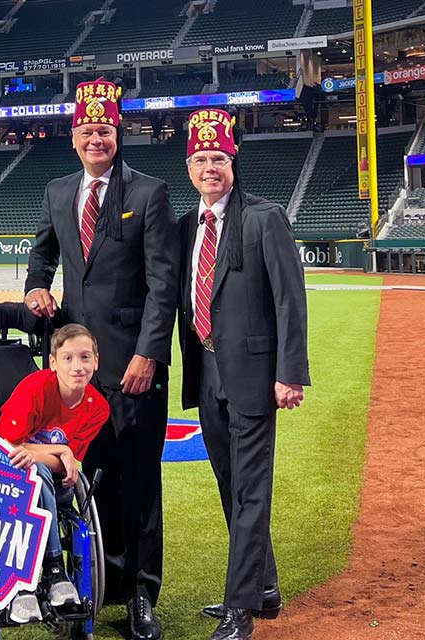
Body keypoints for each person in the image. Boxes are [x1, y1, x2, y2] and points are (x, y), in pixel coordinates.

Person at [24, 78, 179, 640]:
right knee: (77, 480)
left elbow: (165, 286)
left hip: (134, 370)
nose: (97, 138)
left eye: (105, 130)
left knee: (136, 481)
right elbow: (40, 257)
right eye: (87, 130)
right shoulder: (58, 191)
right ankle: (92, 586)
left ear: (119, 134)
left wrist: (149, 354)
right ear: (73, 137)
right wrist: (35, 288)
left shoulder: (150, 194)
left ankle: (140, 593)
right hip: (73, 375)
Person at [177, 108, 310, 640]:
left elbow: (289, 300)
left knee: (251, 490)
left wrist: (290, 372)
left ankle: (241, 609)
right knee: (231, 484)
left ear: (234, 161)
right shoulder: (188, 225)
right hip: (207, 375)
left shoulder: (264, 217)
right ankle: (266, 587)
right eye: (201, 159)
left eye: (219, 159)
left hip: (255, 376)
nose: (211, 167)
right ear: (189, 165)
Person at [0, 324, 110, 624]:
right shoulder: (36, 387)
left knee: (41, 470)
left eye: (85, 358)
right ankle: (53, 568)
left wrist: (54, 455)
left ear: (96, 361)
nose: (78, 366)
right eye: (68, 358)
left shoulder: (98, 407)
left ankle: (38, 578)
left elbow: (67, 467)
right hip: (12, 481)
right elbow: (8, 447)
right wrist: (60, 451)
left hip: (59, 487)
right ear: (53, 362)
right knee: (35, 471)